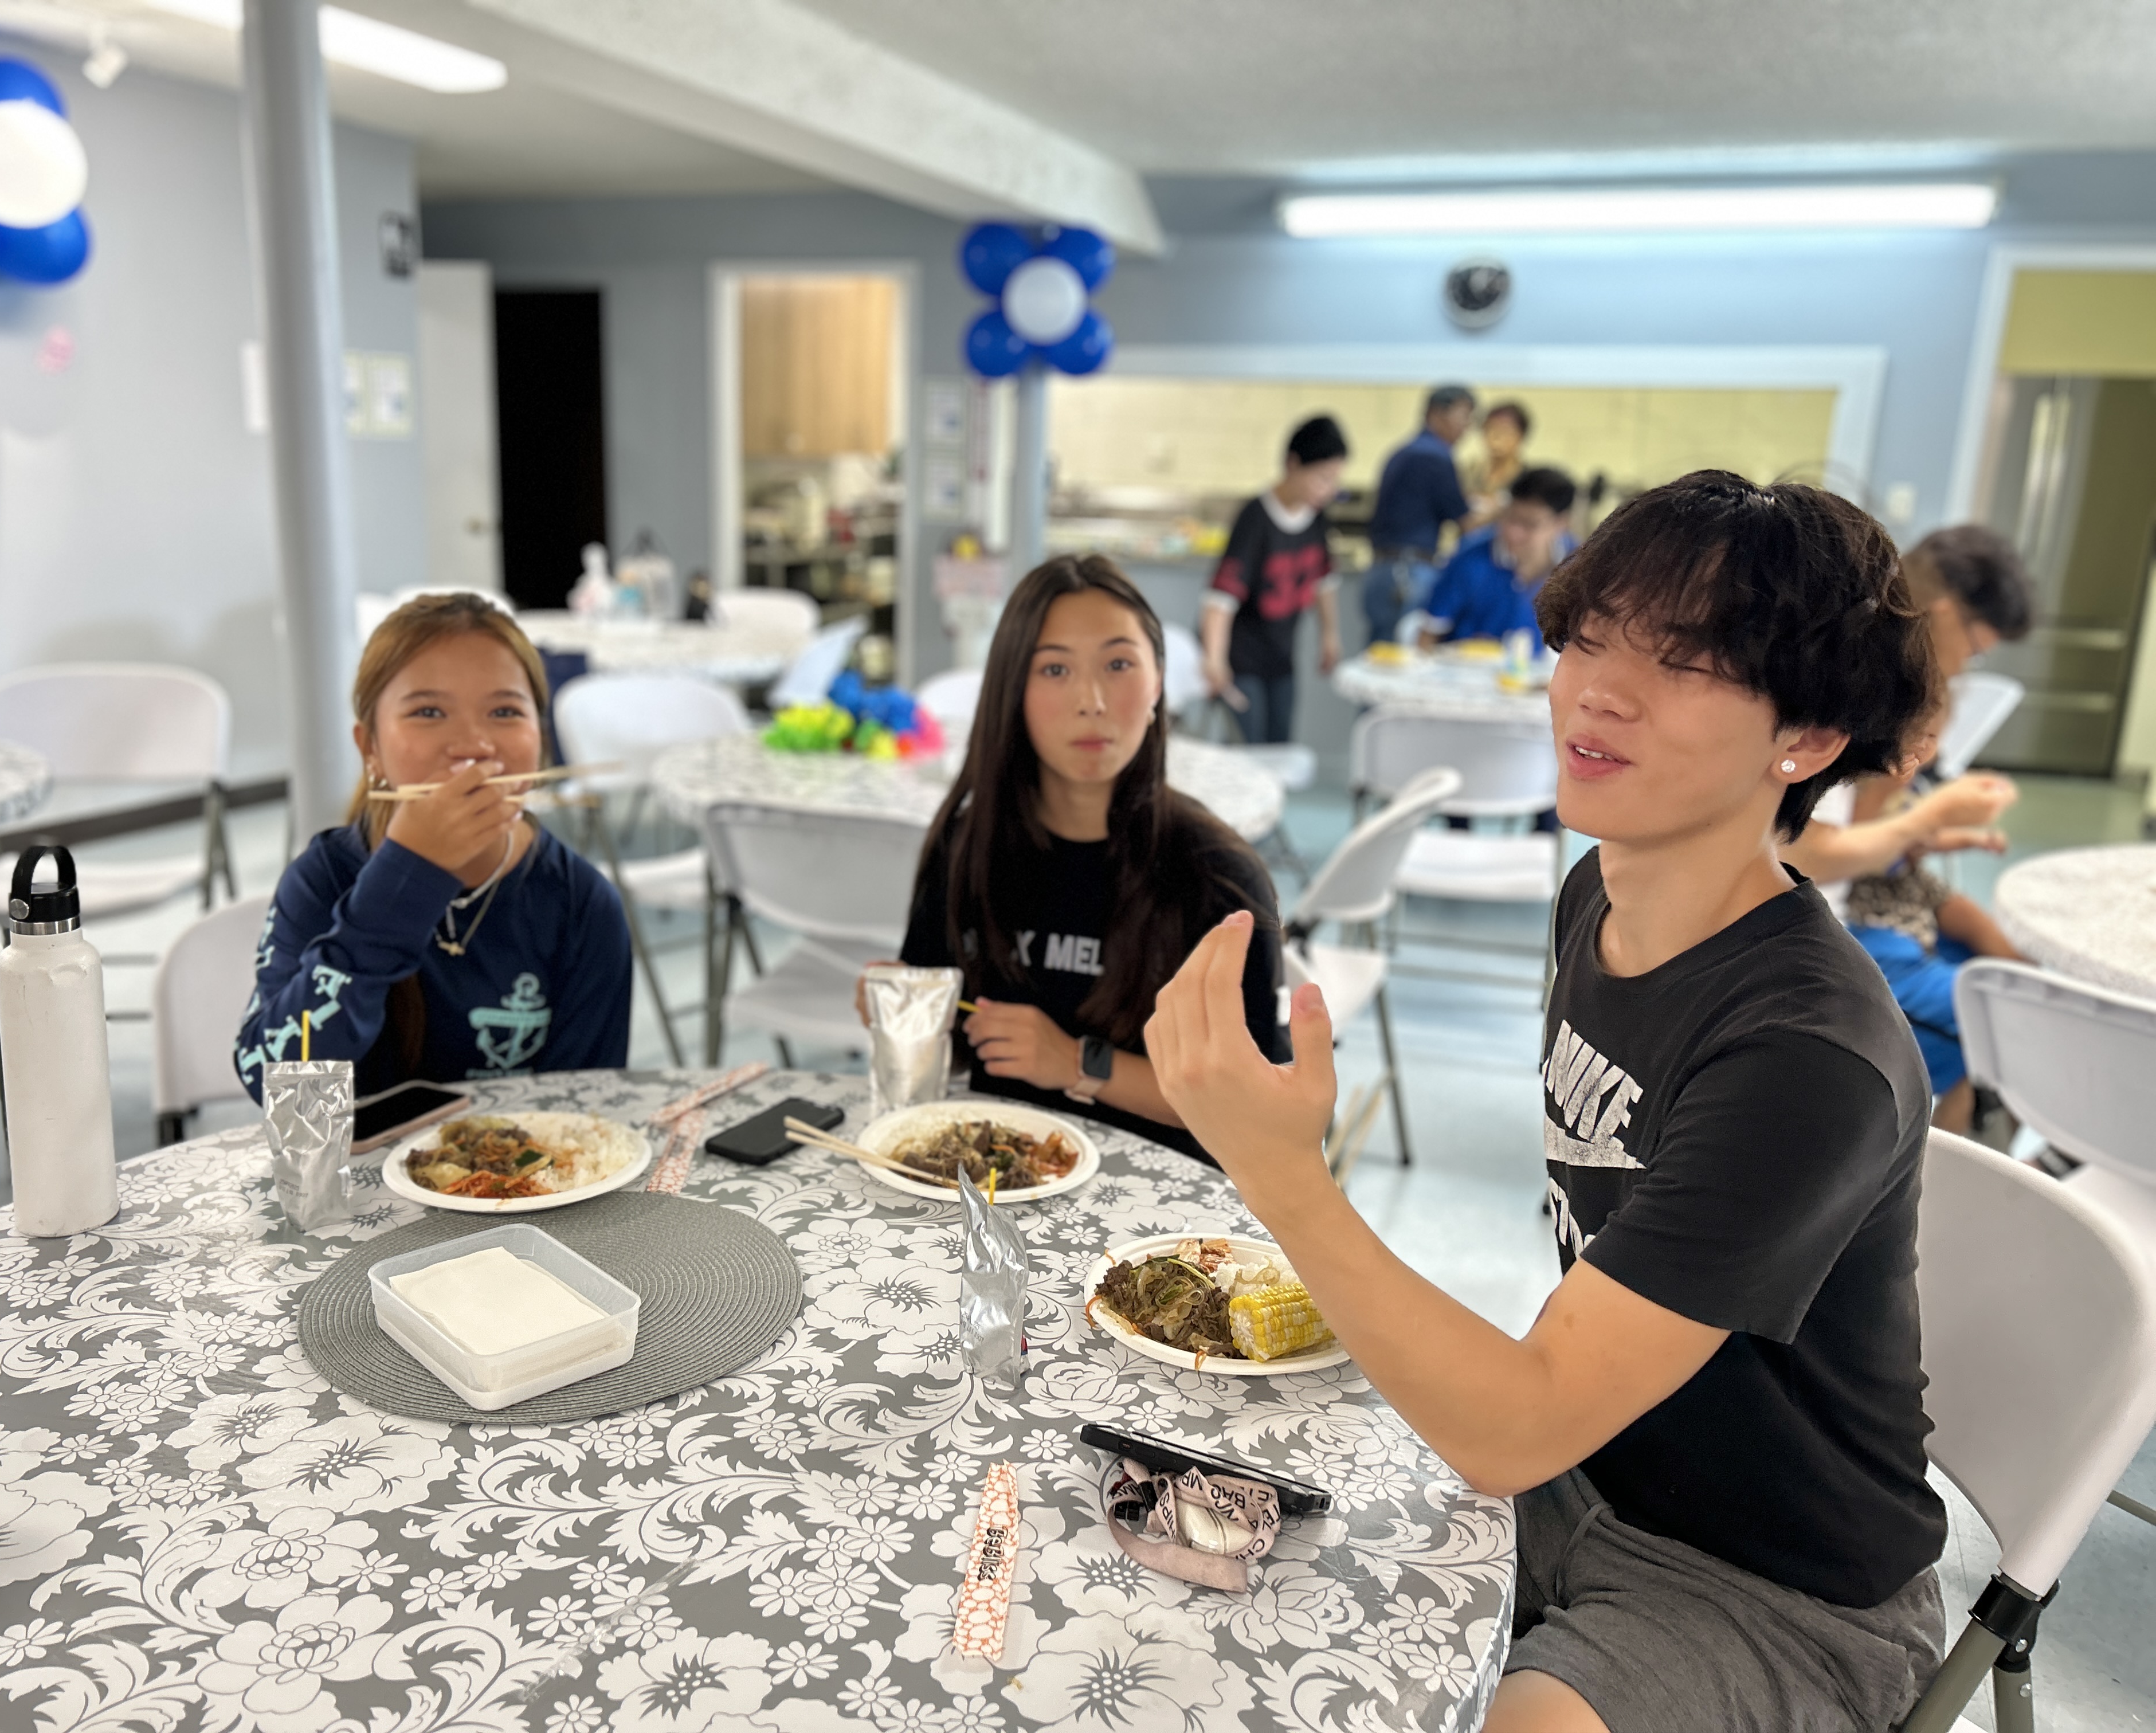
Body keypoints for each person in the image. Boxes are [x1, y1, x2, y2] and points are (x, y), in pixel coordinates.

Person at [1147, 472, 1947, 1732]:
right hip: (1588, 1472)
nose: (1598, 691)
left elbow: (1512, 1428)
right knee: (1190, 1570)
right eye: (1590, 636)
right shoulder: (1598, 895)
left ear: (1805, 737)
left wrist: (1282, 1172)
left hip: (1769, 1585)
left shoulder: (1806, 1058)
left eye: (1683, 661)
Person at [860, 554, 1288, 1166]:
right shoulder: (968, 848)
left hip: (1162, 1193)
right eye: (1055, 669)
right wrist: (904, 1011)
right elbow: (952, 1049)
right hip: (998, 1183)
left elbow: (1258, 1106)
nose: (1091, 701)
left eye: (1118, 665)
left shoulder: (1216, 878)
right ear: (1013, 690)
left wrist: (1078, 1063)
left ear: (1158, 683)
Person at [236, 593, 633, 1099]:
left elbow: (585, 1112)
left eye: (505, 711)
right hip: (357, 1152)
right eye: (428, 711)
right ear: (370, 748)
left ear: (541, 737)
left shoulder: (582, 905)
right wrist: (407, 878)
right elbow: (285, 1095)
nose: (473, 745)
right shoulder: (323, 880)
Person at [1782, 524, 2037, 1132]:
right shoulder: (1849, 697)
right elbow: (1805, 853)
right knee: (2013, 1017)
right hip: (1825, 928)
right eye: (1974, 651)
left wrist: (1929, 827)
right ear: (1945, 614)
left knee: (2009, 973)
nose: (1965, 668)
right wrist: (1931, 817)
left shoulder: (1885, 687)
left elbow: (1859, 831)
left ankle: (1961, 1137)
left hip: (1855, 903)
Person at [1199, 414, 1347, 744]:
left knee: (1280, 745)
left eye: (1335, 480)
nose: (1329, 490)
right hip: (1243, 661)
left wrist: (1329, 635)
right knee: (1248, 750)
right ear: (1293, 464)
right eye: (1322, 478)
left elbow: (1324, 580)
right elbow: (1220, 598)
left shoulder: (1316, 516)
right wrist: (1215, 659)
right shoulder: (1255, 518)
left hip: (1282, 659)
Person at [1362, 383, 1479, 643]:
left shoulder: (1402, 452)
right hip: (1409, 574)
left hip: (1381, 571)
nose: (1466, 427)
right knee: (1404, 656)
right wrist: (1502, 510)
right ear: (1436, 413)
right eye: (1463, 416)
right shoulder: (1435, 456)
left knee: (1381, 654)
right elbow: (1466, 523)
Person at [1419, 465, 1578, 647]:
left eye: (1529, 524)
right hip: (1466, 663)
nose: (1513, 533)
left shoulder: (1577, 567)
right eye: (1510, 517)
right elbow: (1428, 635)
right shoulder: (1469, 559)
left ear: (1560, 524)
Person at [1462, 399, 1533, 522]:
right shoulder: (1470, 471)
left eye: (1505, 432)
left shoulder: (1527, 479)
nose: (1496, 439)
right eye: (1490, 430)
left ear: (1521, 436)